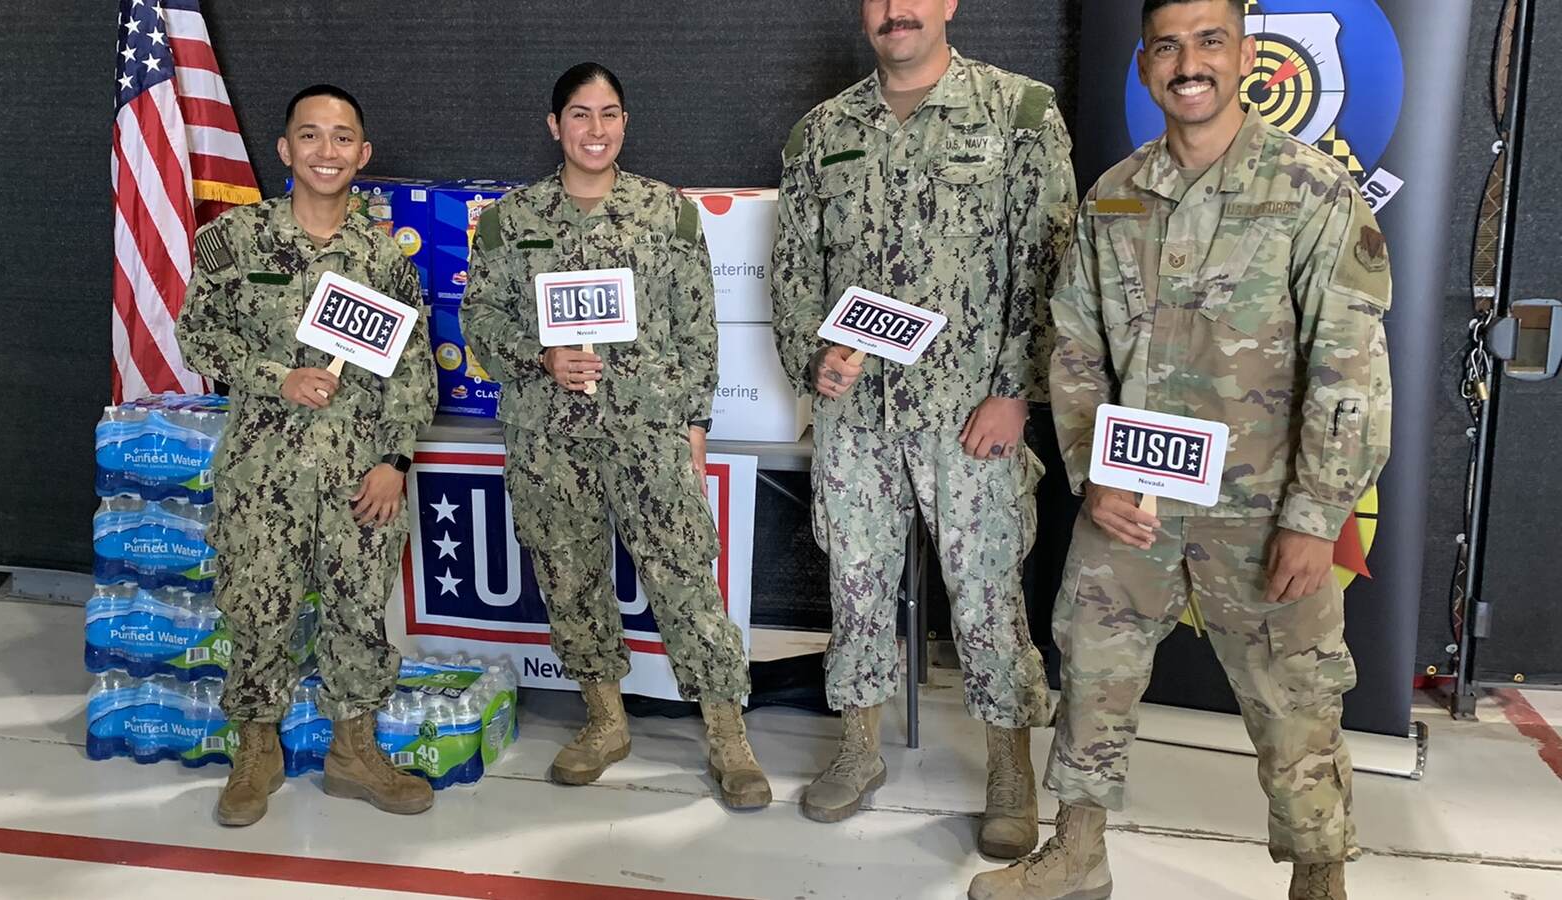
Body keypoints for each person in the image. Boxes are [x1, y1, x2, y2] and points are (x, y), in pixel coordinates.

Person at [968, 1, 1393, 897]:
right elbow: (1075, 344)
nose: (1188, 63)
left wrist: (1316, 517)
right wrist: (1093, 474)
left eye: (1209, 42)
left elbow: (1349, 367)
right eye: (1167, 46)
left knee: (1295, 695)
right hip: (1134, 495)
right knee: (1093, 662)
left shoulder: (1311, 192)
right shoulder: (1115, 195)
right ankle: (1078, 853)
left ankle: (1319, 874)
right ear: (1145, 64)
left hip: (1264, 505)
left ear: (1244, 56)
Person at [771, 0, 1076, 857]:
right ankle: (859, 747)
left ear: (947, 5)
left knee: (986, 593)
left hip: (970, 408)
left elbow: (1049, 259)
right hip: (856, 415)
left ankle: (1009, 766)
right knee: (855, 583)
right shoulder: (821, 132)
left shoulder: (1017, 111)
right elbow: (793, 271)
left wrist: (1015, 391)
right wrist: (813, 361)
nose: (895, 11)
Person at [459, 62, 771, 810]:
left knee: (685, 577)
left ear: (625, 122)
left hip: (648, 433)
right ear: (555, 125)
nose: (594, 130)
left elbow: (698, 327)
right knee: (569, 579)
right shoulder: (509, 221)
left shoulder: (668, 214)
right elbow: (479, 320)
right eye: (579, 114)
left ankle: (727, 735)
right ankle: (605, 721)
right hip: (548, 437)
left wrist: (695, 422)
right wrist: (539, 354)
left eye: (608, 114)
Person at [177, 84, 437, 827]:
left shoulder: (383, 259)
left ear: (363, 153)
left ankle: (354, 753)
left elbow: (413, 371)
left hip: (361, 475)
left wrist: (395, 462)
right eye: (311, 135)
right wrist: (276, 376)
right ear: (285, 149)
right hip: (264, 473)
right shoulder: (235, 240)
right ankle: (256, 751)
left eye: (343, 137)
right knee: (258, 609)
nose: (328, 151)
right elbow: (196, 336)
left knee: (359, 612)